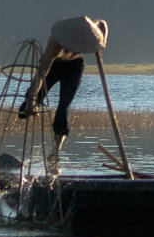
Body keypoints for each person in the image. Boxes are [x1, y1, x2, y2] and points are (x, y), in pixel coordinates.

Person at [19, 15, 109, 161]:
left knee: (63, 109)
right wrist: (31, 100)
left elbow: (103, 23)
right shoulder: (55, 45)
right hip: (54, 66)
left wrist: (102, 41)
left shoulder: (90, 30)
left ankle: (55, 152)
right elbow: (41, 74)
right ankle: (29, 104)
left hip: (74, 67)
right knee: (24, 109)